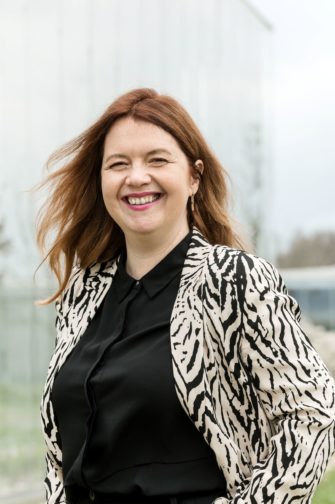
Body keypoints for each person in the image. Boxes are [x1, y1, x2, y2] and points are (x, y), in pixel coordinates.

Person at [37, 87, 334, 504]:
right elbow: (58, 453)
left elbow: (312, 415)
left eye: (157, 160)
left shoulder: (234, 280)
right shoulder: (82, 295)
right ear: (101, 180)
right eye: (118, 164)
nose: (136, 177)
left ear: (193, 176)